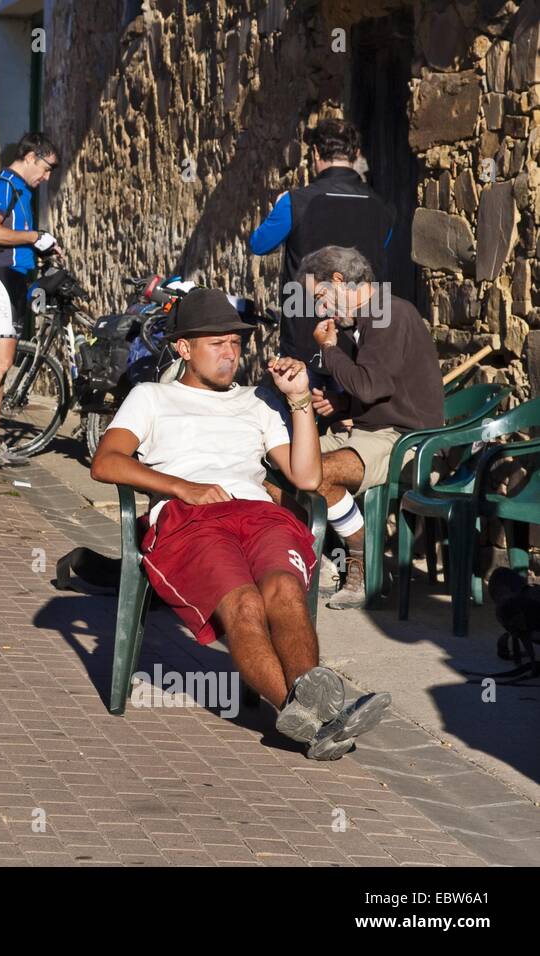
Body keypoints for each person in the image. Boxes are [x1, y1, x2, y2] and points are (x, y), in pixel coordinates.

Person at [91, 287, 391, 760]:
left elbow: (307, 477)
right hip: (189, 520)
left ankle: (314, 721)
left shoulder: (259, 402)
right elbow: (106, 462)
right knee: (245, 606)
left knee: (284, 592)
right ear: (184, 347)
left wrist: (298, 402)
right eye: (217, 343)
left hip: (259, 515)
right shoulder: (150, 397)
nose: (230, 352)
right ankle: (315, 718)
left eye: (235, 342)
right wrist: (181, 487)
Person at [299, 245, 442, 609]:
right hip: (372, 432)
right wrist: (343, 404)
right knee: (284, 464)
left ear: (338, 281)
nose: (320, 310)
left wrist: (330, 350)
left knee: (318, 472)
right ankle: (300, 561)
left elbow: (371, 386)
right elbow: (381, 389)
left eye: (320, 298)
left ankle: (366, 564)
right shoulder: (370, 317)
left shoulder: (387, 314)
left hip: (406, 441)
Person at [249, 118, 395, 378]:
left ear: (315, 152)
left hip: (305, 326)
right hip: (363, 329)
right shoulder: (382, 207)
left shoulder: (296, 202)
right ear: (356, 155)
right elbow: (380, 252)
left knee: (302, 408)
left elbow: (260, 245)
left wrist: (279, 207)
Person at [0, 132, 61, 468]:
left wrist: (39, 246)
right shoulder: (3, 186)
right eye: (46, 168)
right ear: (31, 156)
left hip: (14, 278)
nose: (47, 177)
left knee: (4, 363)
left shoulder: (20, 191)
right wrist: (35, 237)